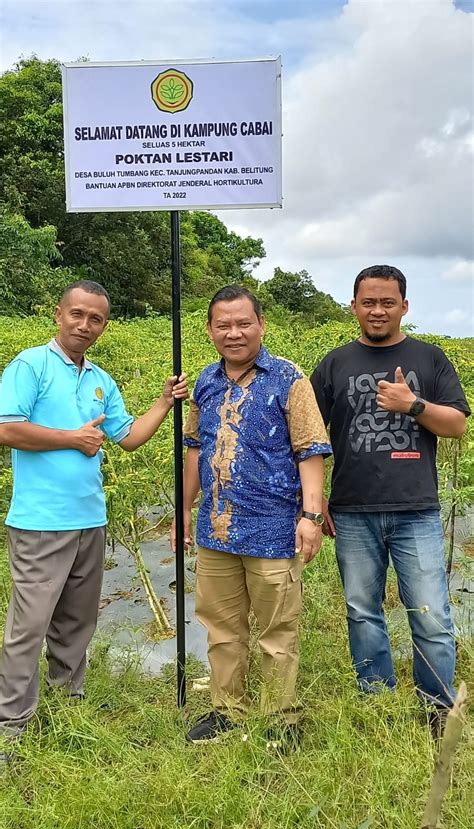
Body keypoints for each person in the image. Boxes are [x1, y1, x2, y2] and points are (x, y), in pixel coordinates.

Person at [0, 280, 188, 762]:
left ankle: (67, 707)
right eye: (77, 314)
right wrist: (70, 438)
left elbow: (127, 437)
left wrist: (164, 403)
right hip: (41, 522)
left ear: (105, 324)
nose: (85, 325)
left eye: (96, 318)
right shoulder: (31, 365)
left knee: (76, 623)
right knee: (30, 626)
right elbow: (6, 427)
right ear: (58, 314)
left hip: (90, 519)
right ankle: (11, 726)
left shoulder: (102, 378)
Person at [310, 265, 470, 734]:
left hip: (417, 509)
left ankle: (436, 707)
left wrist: (412, 405)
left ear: (404, 306)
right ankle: (375, 700)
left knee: (432, 614)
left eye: (387, 302)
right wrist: (315, 502)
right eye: (368, 302)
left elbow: (457, 425)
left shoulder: (430, 358)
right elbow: (308, 436)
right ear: (353, 306)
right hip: (353, 510)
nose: (377, 310)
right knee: (362, 610)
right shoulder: (334, 364)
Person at [171, 284, 331, 747]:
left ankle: (281, 718)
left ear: (261, 325)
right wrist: (184, 508)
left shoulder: (288, 378)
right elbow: (196, 449)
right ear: (209, 330)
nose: (234, 333)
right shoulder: (203, 381)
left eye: (244, 323)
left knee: (278, 629)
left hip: (274, 530)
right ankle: (228, 710)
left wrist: (311, 516)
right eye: (223, 325)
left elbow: (310, 450)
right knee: (222, 628)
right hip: (216, 530)